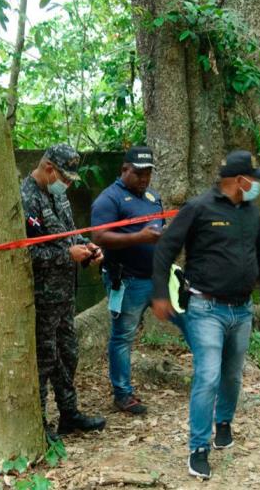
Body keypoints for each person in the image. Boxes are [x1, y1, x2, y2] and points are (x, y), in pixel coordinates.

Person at [151, 150, 260, 479]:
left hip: (242, 309)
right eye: (254, 179)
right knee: (208, 376)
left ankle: (223, 423)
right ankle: (198, 447)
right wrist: (159, 294)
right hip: (206, 309)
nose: (257, 185)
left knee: (232, 375)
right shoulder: (198, 208)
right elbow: (166, 249)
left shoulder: (251, 213)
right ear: (239, 181)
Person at [21, 144, 107, 440]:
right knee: (44, 360)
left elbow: (69, 233)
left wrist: (88, 246)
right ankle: (39, 423)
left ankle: (69, 414)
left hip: (64, 295)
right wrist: (66, 255)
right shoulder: (26, 198)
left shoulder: (59, 195)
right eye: (65, 178)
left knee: (68, 354)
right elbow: (23, 255)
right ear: (48, 169)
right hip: (41, 298)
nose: (67, 184)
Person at [90, 146, 164, 415]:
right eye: (138, 174)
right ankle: (122, 394)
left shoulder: (153, 196)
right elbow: (99, 237)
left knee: (188, 317)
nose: (144, 179)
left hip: (156, 277)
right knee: (123, 336)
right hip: (128, 280)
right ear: (124, 170)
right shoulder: (109, 200)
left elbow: (159, 228)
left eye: (148, 174)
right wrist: (138, 238)